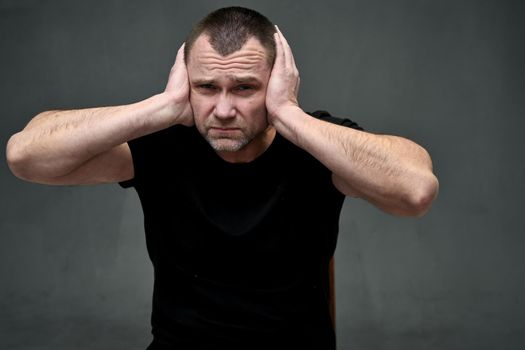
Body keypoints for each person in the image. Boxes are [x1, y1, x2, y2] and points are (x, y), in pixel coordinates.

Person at [6, 6, 438, 350]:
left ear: (275, 83)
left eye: (245, 88)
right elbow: (25, 156)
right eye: (207, 87)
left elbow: (416, 190)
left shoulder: (316, 145)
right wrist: (160, 108)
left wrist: (289, 114)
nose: (224, 109)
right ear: (186, 85)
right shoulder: (165, 142)